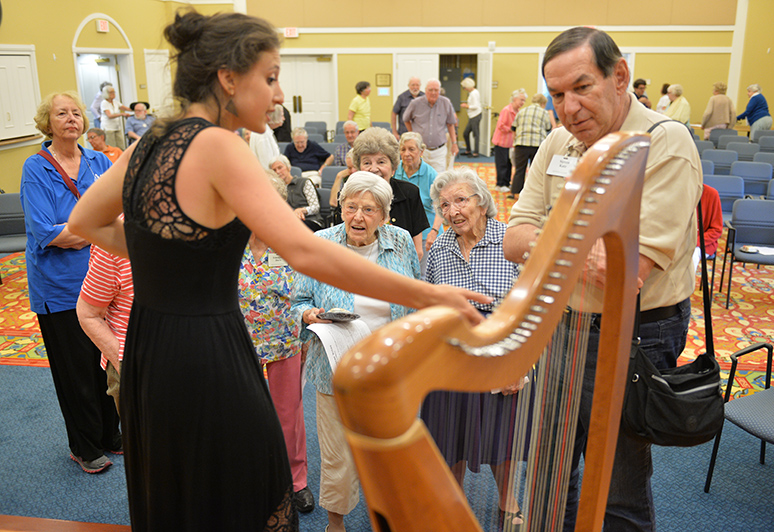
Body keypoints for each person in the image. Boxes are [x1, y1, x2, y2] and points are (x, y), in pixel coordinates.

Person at [67, 10, 488, 531]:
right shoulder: (219, 144)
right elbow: (306, 252)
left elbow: (84, 221)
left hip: (152, 349)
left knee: (179, 488)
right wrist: (428, 294)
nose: (278, 93)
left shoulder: (148, 143)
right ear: (227, 79)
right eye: (269, 77)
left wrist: (175, 258)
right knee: (242, 486)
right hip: (208, 350)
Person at [503, 27, 702, 532]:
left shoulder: (665, 144)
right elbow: (512, 240)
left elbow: (620, 273)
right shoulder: (556, 143)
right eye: (557, 95)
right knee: (547, 478)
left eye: (582, 87)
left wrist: (552, 242)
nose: (569, 108)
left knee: (616, 490)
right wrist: (582, 242)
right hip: (558, 327)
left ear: (620, 78)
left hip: (634, 334)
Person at [292, 171, 420, 532]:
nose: (358, 217)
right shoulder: (320, 243)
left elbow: (413, 295)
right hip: (334, 369)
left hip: (388, 372)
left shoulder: (402, 241)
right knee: (338, 456)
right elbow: (296, 300)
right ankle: (336, 523)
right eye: (351, 207)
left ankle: (388, 515)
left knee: (389, 452)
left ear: (384, 215)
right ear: (341, 208)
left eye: (369, 209)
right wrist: (309, 313)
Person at [421, 166, 528, 531]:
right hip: (451, 356)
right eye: (445, 205)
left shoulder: (509, 242)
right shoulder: (438, 252)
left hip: (500, 352)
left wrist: (519, 362)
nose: (452, 211)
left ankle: (507, 501)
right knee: (449, 433)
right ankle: (453, 501)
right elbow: (427, 307)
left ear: (482, 203)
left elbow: (529, 313)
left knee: (501, 435)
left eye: (461, 200)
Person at [20, 91, 119, 475]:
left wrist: (88, 228)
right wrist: (94, 228)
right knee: (75, 370)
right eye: (61, 113)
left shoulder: (98, 160)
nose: (71, 118)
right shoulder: (36, 168)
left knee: (106, 363)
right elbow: (46, 232)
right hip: (58, 289)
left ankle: (111, 434)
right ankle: (85, 445)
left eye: (76, 112)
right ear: (48, 121)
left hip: (103, 282)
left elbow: (117, 213)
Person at [238, 174, 314, 514]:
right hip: (238, 344)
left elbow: (310, 288)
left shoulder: (290, 240)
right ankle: (250, 478)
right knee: (243, 415)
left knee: (289, 415)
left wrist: (308, 336)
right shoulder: (227, 241)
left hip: (286, 339)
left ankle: (296, 481)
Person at [352, 127, 429, 260]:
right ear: (359, 168)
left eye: (381, 162)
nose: (374, 169)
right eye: (367, 162)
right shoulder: (348, 196)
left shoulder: (410, 193)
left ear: (393, 166)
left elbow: (418, 251)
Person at [76, 239, 133, 414]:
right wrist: (125, 366)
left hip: (194, 357)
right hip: (135, 359)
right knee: (149, 439)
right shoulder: (115, 240)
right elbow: (88, 314)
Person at [395, 131, 445, 253]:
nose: (407, 154)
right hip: (399, 231)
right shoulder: (394, 170)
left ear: (421, 151)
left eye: (411, 149)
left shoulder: (431, 174)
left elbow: (441, 205)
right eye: (403, 149)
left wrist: (434, 231)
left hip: (426, 232)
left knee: (424, 271)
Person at [403, 79, 459, 173]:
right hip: (420, 150)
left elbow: (450, 124)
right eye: (430, 90)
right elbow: (406, 119)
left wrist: (454, 143)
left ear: (439, 91)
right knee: (420, 176)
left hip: (439, 150)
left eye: (436, 90)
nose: (433, 93)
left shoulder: (446, 103)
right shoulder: (415, 103)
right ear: (425, 91)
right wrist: (413, 134)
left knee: (438, 178)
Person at [510, 93, 550, 200]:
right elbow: (548, 127)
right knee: (535, 171)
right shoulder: (544, 113)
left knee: (519, 169)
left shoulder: (522, 111)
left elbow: (513, 127)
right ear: (543, 103)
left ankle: (515, 193)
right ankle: (532, 195)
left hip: (521, 144)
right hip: (537, 145)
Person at [270, 155, 324, 231]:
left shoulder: (304, 182)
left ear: (288, 167)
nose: (277, 172)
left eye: (280, 167)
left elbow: (315, 207)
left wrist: (301, 210)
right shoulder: (276, 189)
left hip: (310, 221)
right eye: (274, 170)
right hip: (289, 222)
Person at [492, 88, 527, 193]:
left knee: (509, 164)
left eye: (524, 100)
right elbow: (501, 125)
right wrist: (513, 129)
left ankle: (506, 183)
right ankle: (500, 184)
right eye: (521, 100)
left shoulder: (518, 112)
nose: (523, 102)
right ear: (514, 99)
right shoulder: (507, 110)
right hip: (501, 142)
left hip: (511, 143)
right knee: (502, 164)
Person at [693, 183, 723, 272]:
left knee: (689, 258)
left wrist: (694, 242)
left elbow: (716, 230)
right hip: (678, 241)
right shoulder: (676, 192)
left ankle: (685, 286)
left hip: (702, 244)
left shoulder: (711, 194)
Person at [100, 85, 130, 149]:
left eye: (114, 92)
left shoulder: (116, 102)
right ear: (106, 93)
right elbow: (109, 115)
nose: (113, 94)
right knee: (111, 146)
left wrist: (137, 109)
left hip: (117, 127)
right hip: (108, 128)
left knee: (121, 146)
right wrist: (122, 114)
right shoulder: (104, 103)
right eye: (111, 92)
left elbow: (125, 108)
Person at [460, 77, 481, 157]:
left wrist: (467, 106)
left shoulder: (474, 93)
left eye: (465, 87)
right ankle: (468, 150)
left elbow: (475, 106)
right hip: (472, 116)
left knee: (476, 134)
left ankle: (476, 152)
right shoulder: (473, 93)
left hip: (475, 115)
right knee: (466, 133)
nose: (464, 89)